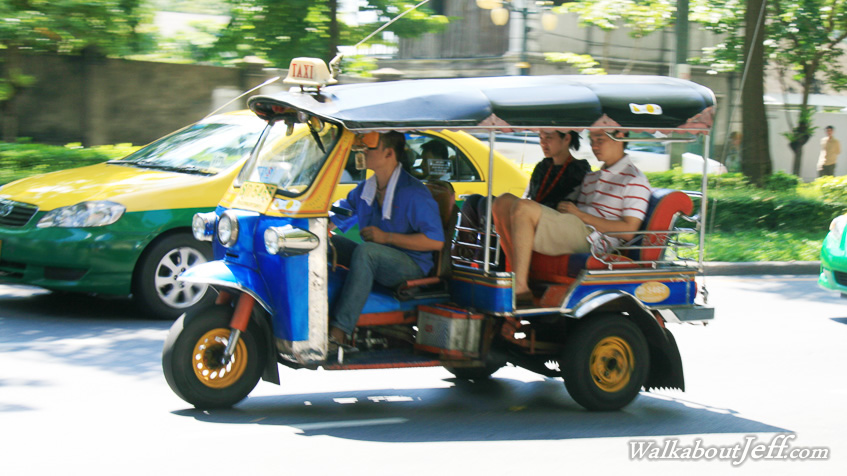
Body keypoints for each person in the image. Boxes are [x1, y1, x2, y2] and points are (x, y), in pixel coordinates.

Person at [495, 129, 651, 304]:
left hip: (594, 239)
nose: (594, 146)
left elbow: (629, 231)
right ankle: (517, 274)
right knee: (502, 202)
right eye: (592, 140)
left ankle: (521, 287)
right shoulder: (593, 177)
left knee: (524, 207)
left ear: (620, 136)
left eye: (599, 139)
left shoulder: (634, 179)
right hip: (575, 227)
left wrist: (580, 215)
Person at [328, 131, 445, 348]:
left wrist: (387, 237)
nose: (363, 150)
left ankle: (340, 331)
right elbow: (341, 211)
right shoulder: (366, 189)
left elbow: (435, 241)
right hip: (379, 258)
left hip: (411, 266)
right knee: (330, 243)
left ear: (389, 153)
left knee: (367, 252)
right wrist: (319, 224)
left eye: (370, 147)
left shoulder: (414, 193)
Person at [456, 130, 589, 264]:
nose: (543, 143)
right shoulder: (542, 167)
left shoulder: (579, 169)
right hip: (532, 212)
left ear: (566, 138)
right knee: (474, 201)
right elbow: (530, 195)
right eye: (540, 138)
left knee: (486, 204)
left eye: (548, 138)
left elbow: (566, 206)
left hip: (550, 222)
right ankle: (462, 259)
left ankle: (491, 260)